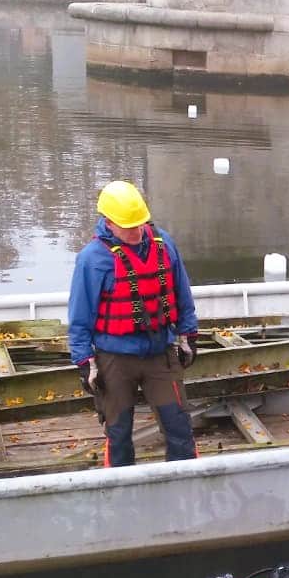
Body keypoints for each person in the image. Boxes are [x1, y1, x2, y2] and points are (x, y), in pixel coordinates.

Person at [68, 180, 199, 466]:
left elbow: (181, 291)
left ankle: (185, 484)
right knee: (119, 434)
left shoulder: (164, 244)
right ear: (109, 223)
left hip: (160, 352)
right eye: (128, 227)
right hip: (115, 358)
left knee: (179, 428)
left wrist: (188, 334)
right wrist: (85, 362)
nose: (136, 232)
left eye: (140, 224)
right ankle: (120, 487)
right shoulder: (92, 259)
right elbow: (79, 318)